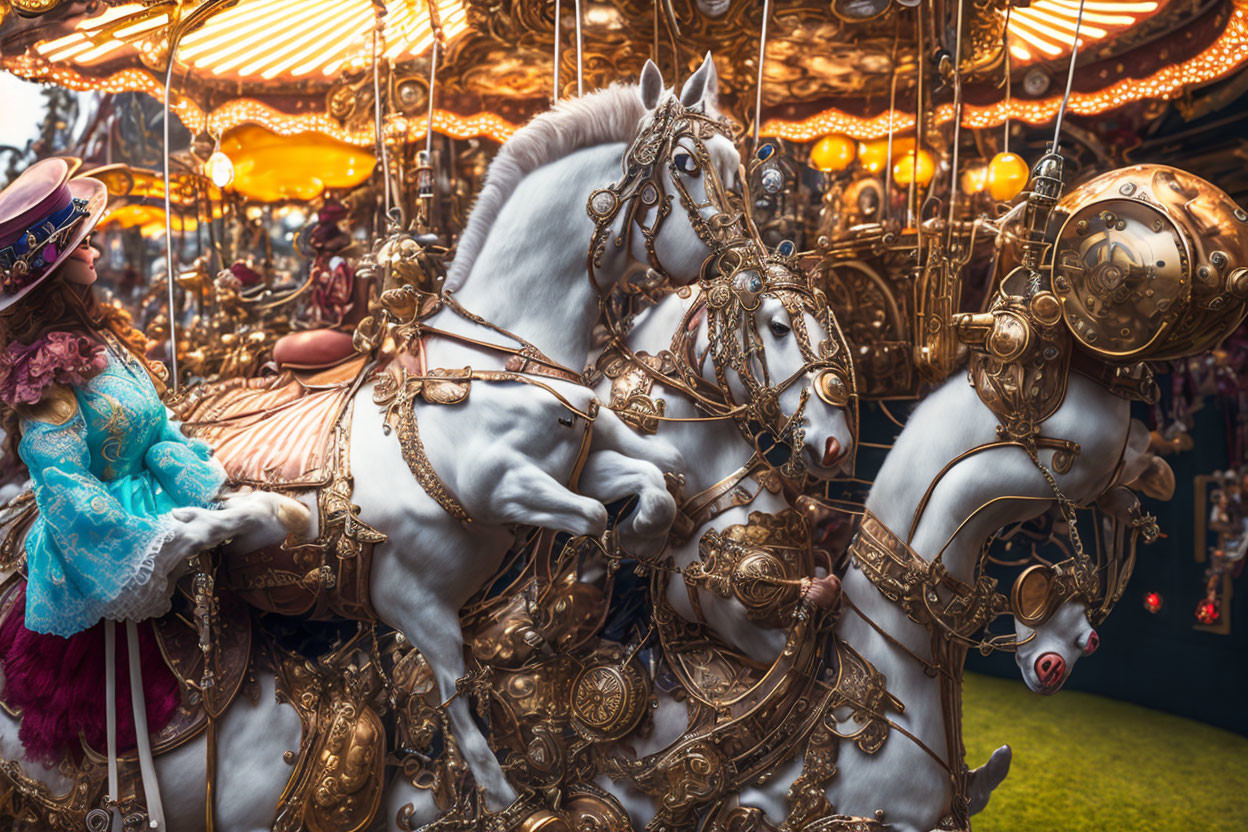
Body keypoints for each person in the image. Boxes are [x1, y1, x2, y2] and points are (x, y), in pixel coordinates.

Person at [0, 157, 304, 829]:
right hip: (103, 550)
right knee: (129, 717)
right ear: (54, 270)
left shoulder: (106, 343)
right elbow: (66, 491)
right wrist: (155, 542)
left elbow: (159, 432)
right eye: (85, 245)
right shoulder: (43, 380)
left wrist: (211, 489)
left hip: (164, 509)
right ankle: (126, 802)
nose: (100, 250)